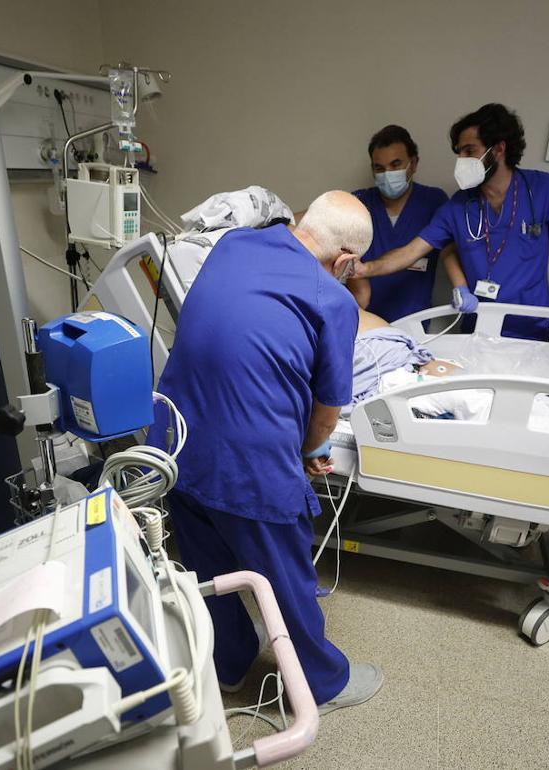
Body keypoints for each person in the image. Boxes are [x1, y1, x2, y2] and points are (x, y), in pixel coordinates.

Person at [149, 191, 383, 713]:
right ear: (345, 261)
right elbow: (325, 416)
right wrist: (304, 451)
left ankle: (228, 663)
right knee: (284, 575)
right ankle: (321, 684)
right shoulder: (335, 299)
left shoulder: (233, 244)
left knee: (208, 569)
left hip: (173, 442)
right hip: (246, 465)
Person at [338, 103, 549, 340]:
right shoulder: (459, 206)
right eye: (458, 152)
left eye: (469, 151)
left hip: (529, 326)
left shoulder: (542, 190)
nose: (461, 159)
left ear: (498, 149)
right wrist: (366, 269)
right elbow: (412, 251)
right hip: (475, 326)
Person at [345, 125, 449, 321]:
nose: (388, 173)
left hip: (415, 322)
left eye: (395, 165)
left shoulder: (433, 201)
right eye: (380, 168)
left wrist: (460, 287)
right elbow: (320, 219)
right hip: (367, 320)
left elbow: (451, 251)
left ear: (414, 163)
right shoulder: (359, 202)